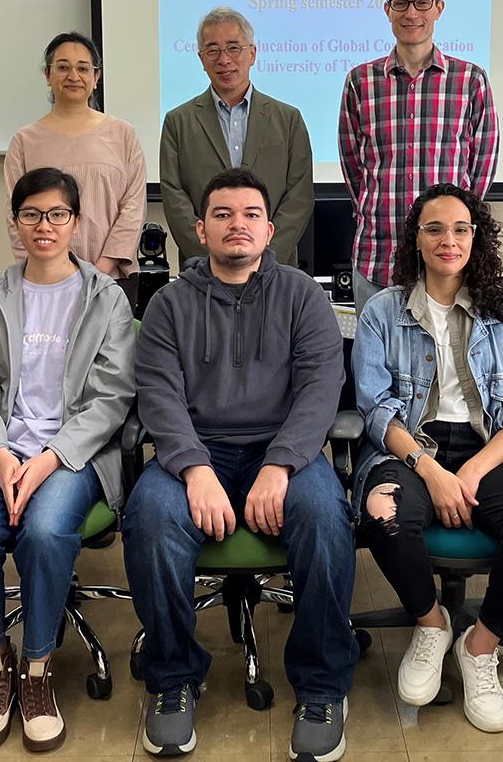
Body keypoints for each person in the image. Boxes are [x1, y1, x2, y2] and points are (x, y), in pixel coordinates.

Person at [122, 168, 356, 761]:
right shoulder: (170, 304)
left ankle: (322, 684)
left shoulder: (303, 295)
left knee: (327, 520)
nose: (237, 225)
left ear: (270, 229)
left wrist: (280, 465)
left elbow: (321, 388)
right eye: (223, 214)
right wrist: (194, 468)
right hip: (197, 451)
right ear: (200, 230)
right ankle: (172, 679)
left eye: (250, 214)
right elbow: (158, 395)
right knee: (149, 516)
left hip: (284, 451)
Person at [353, 184, 503, 734]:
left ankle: (481, 644)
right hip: (409, 446)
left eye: (461, 229)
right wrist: (432, 470)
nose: (449, 240)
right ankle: (430, 623)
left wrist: (469, 471)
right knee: (384, 515)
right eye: (434, 229)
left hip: (490, 447)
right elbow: (375, 409)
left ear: (477, 238)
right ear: (415, 240)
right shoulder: (381, 311)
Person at [0, 167, 136, 752]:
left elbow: (113, 396)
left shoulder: (107, 299)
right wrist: (1, 455)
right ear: (16, 223)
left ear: (76, 223)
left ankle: (37, 666)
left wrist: (51, 458)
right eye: (32, 215)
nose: (44, 226)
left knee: (48, 532)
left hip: (73, 454)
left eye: (57, 215)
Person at [338, 0, 499, 312]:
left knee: (448, 363)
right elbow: (353, 166)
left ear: (439, 8)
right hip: (378, 255)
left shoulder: (470, 80)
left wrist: (456, 225)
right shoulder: (360, 82)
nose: (412, 13)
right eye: (401, 3)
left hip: (448, 259)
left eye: (422, 3)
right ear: (387, 9)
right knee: (376, 363)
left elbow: (482, 165)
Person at [160, 7, 314, 267]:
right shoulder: (178, 122)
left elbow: (299, 197)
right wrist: (212, 255)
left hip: (274, 269)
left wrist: (263, 255)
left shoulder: (288, 119)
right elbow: (174, 196)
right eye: (213, 50)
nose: (224, 59)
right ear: (201, 59)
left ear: (252, 54)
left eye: (233, 48)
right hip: (203, 270)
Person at [4, 32, 146, 309]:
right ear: (48, 75)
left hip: (112, 279)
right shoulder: (25, 141)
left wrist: (102, 269)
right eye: (63, 67)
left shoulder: (123, 134)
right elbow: (16, 215)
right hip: (45, 281)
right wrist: (47, 270)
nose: (73, 75)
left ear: (96, 77)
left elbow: (133, 206)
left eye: (83, 68)